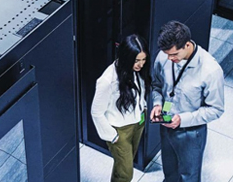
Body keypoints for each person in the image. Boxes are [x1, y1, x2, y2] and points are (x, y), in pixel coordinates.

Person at [150, 20, 224, 182]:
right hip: (166, 125)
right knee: (169, 172)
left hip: (191, 133)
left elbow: (216, 109)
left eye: (174, 55)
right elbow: (156, 85)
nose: (169, 59)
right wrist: (157, 104)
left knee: (189, 176)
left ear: (187, 45)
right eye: (167, 54)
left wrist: (182, 120)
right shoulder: (164, 56)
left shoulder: (210, 70)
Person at [91, 34, 152, 182]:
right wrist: (113, 137)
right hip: (119, 130)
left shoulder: (137, 71)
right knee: (126, 173)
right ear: (126, 57)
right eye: (137, 60)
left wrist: (143, 108)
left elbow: (142, 91)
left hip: (137, 122)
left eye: (143, 60)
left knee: (122, 167)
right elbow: (96, 112)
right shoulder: (107, 80)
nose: (141, 64)